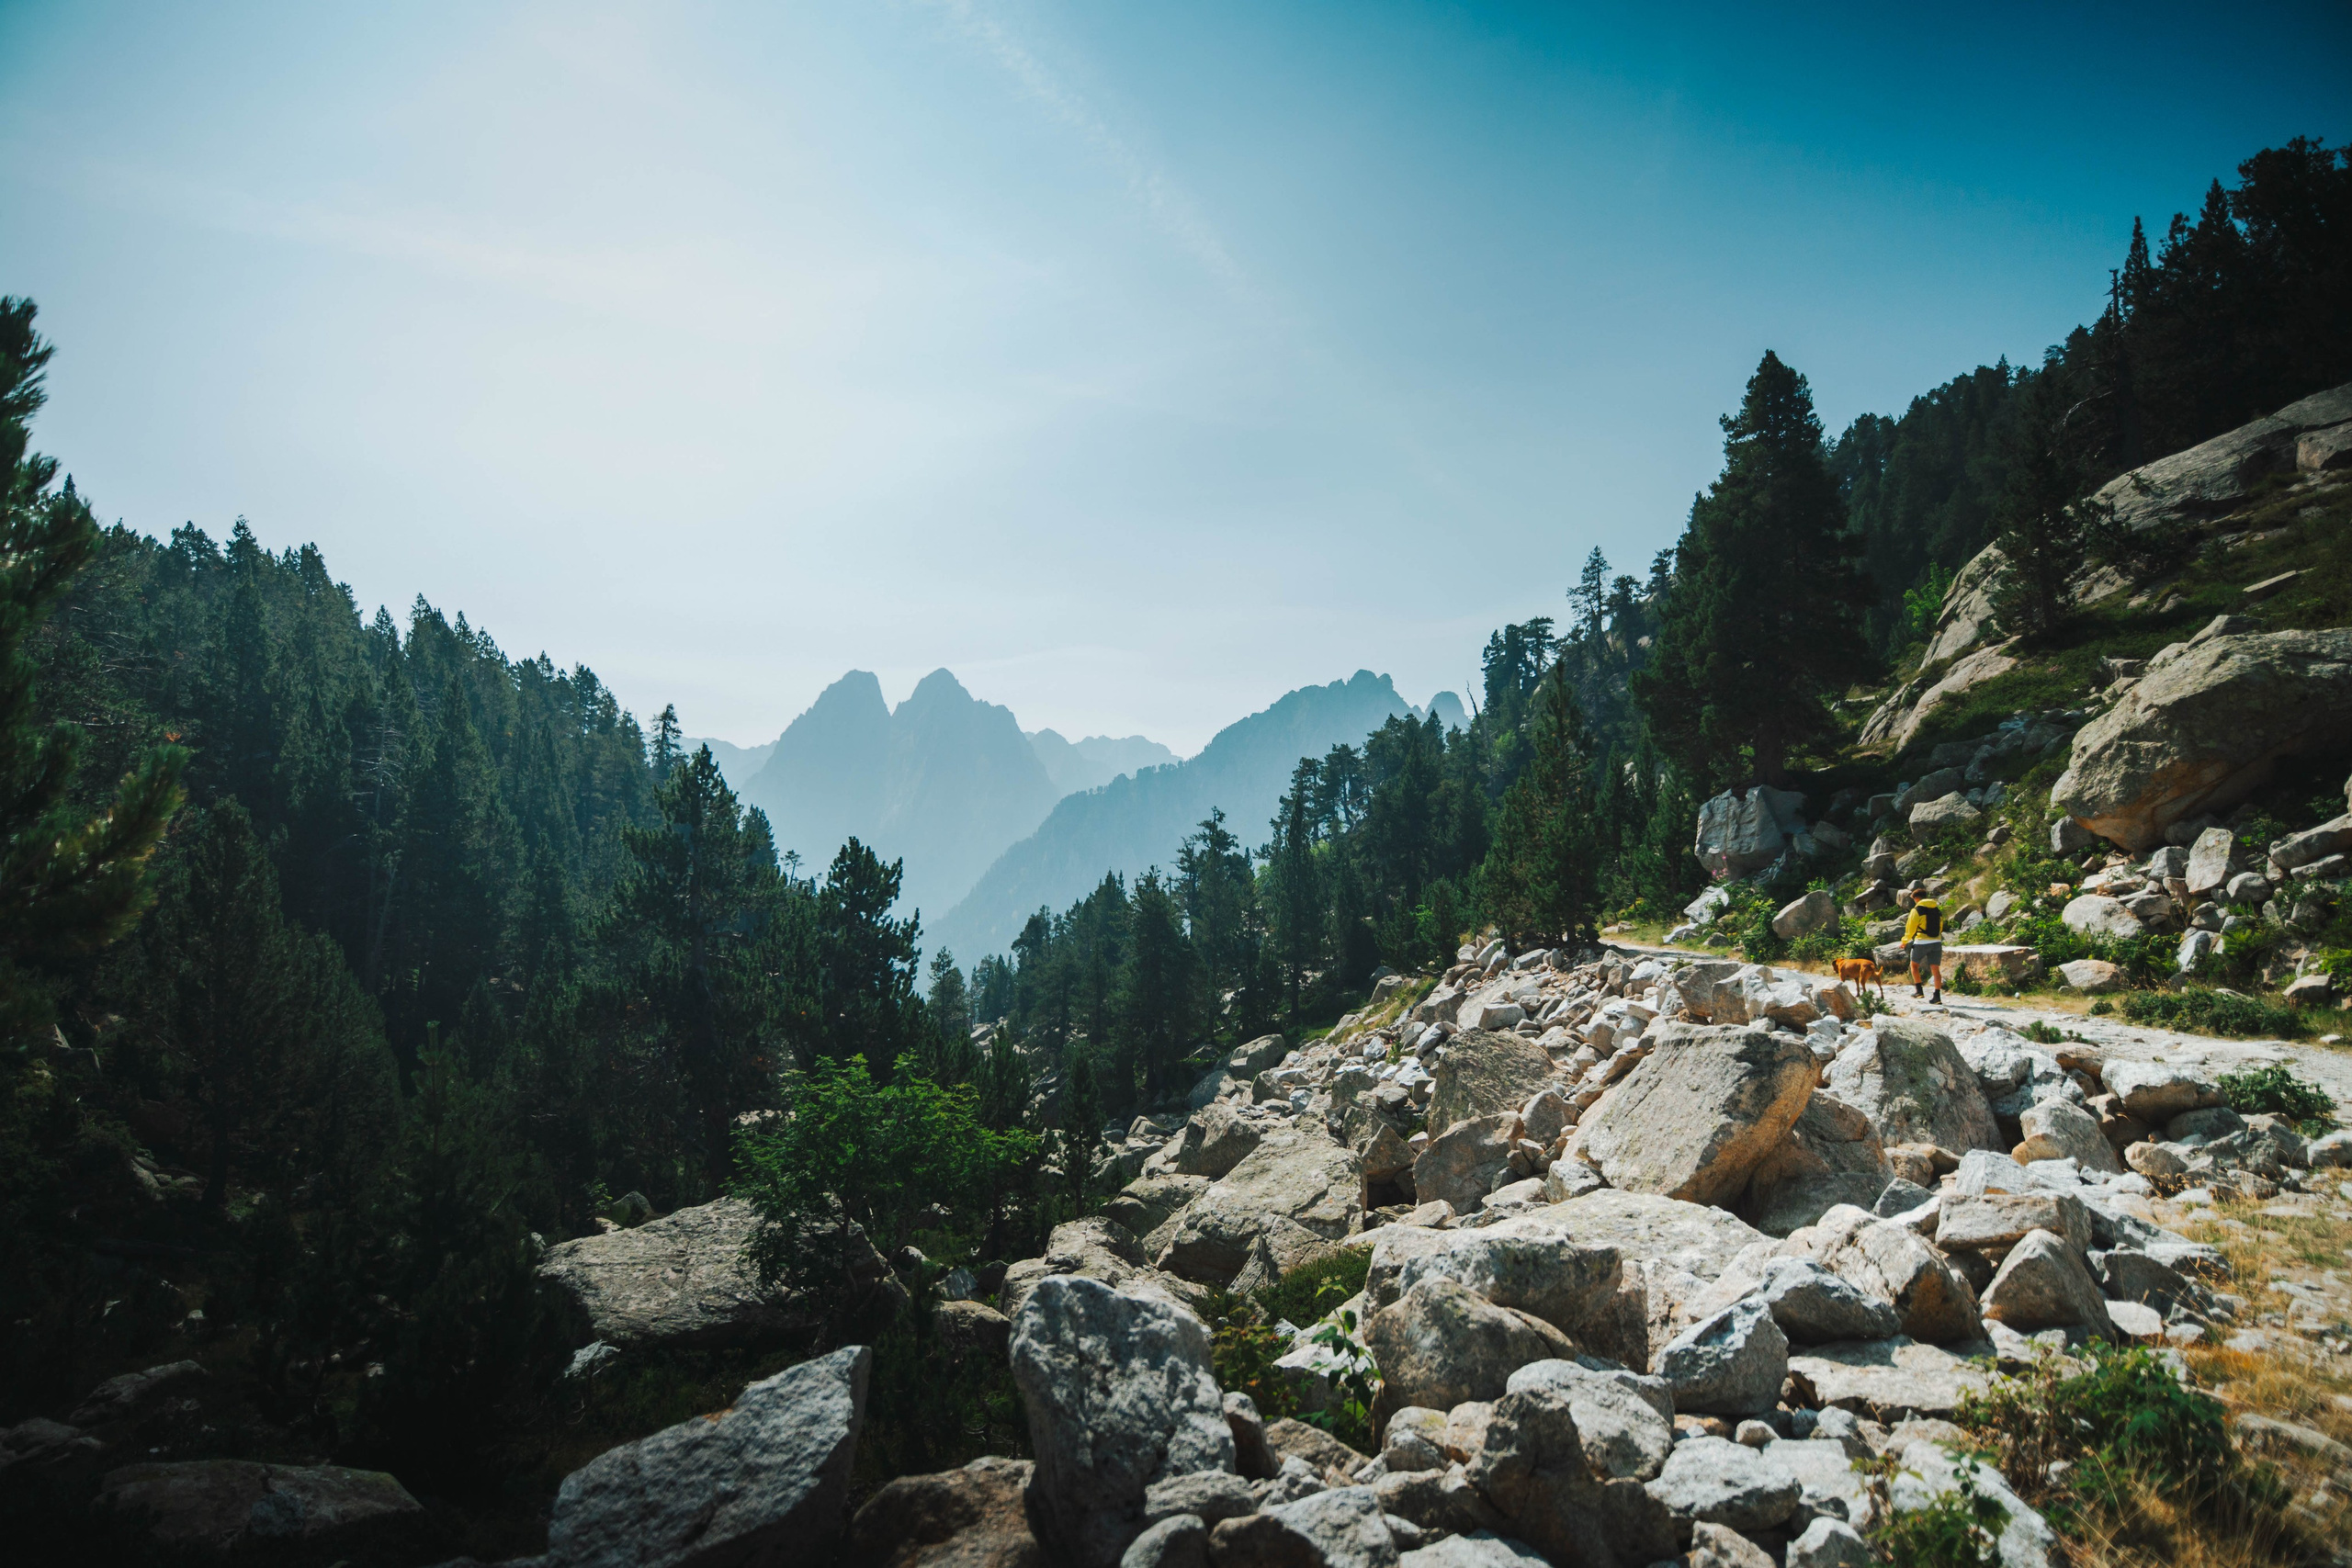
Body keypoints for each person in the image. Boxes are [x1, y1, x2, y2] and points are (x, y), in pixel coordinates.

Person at [1902, 894, 1944, 1002]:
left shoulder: (1917, 910)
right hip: (1936, 942)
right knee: (1935, 970)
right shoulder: (1936, 909)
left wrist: (1905, 941)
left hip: (1921, 942)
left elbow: (1910, 928)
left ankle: (1919, 991)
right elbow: (1941, 926)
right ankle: (1937, 996)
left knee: (1914, 965)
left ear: (1916, 898)